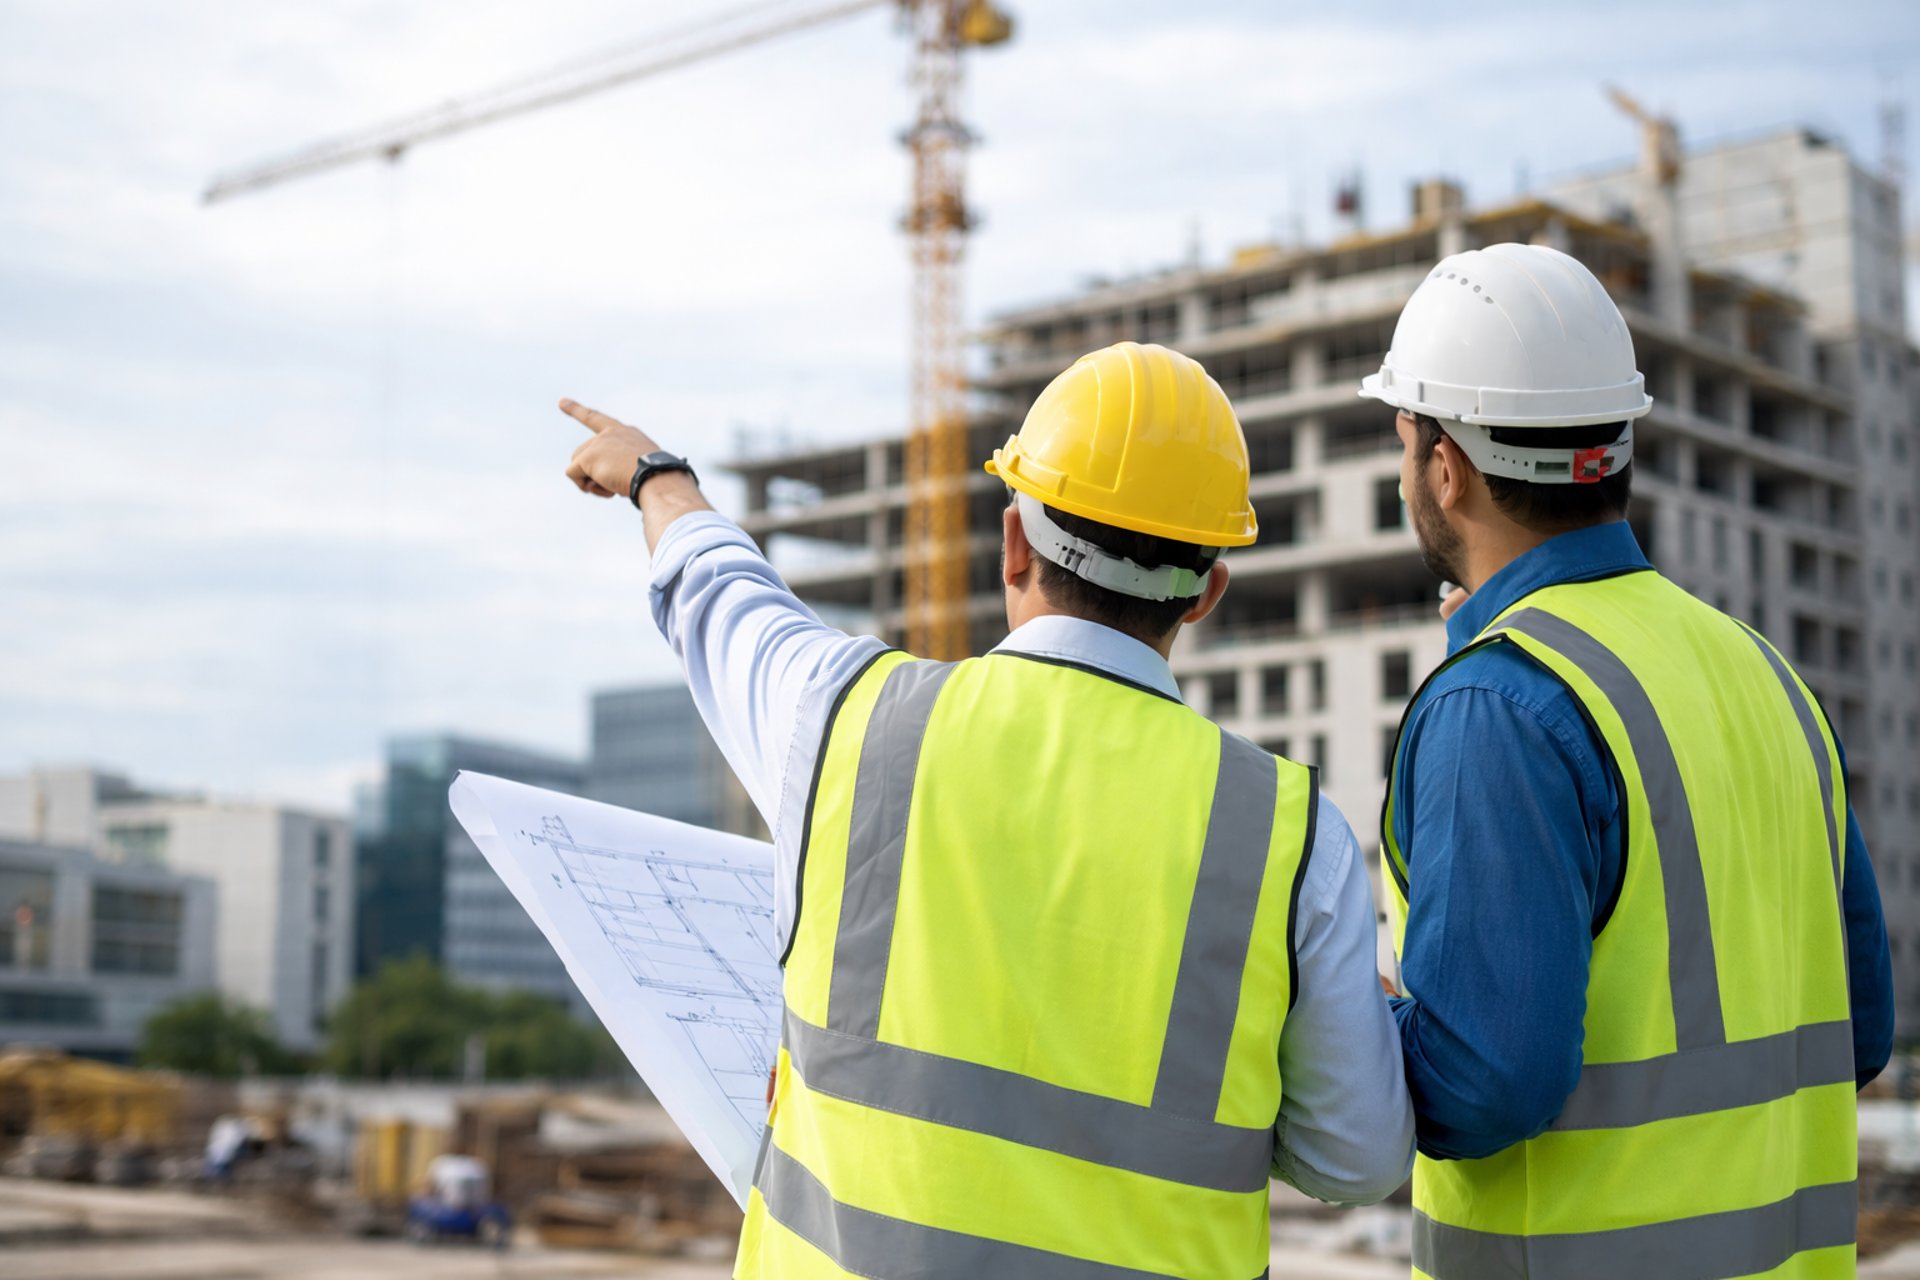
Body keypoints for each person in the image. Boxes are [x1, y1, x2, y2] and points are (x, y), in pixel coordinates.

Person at [559, 340, 1413, 1279]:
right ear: (1206, 594)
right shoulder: (1289, 837)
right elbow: (1358, 1159)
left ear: (1013, 544)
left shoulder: (846, 718)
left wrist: (657, 478)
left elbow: (720, 597)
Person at [1361, 243, 1895, 1277]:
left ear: (1445, 467)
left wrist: (1357, 1008)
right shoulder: (1767, 675)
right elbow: (1858, 1030)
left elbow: (1483, 1086)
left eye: (1405, 442)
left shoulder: (1496, 705)